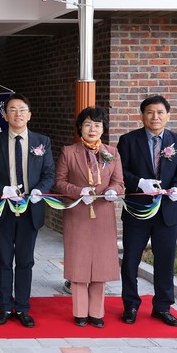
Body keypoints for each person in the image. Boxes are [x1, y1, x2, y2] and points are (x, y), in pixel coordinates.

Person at [117, 95, 177, 327]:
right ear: (142, 115)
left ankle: (162, 307)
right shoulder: (128, 140)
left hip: (167, 212)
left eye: (160, 112)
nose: (155, 117)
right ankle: (130, 305)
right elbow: (120, 172)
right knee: (131, 260)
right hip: (137, 211)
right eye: (150, 112)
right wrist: (139, 182)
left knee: (165, 261)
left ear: (168, 115)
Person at [0, 93, 55, 328]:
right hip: (3, 209)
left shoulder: (42, 141)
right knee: (4, 260)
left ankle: (22, 307)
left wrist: (39, 190)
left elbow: (49, 174)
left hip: (29, 210)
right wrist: (1, 189)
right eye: (12, 109)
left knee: (25, 261)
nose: (18, 114)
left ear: (29, 115)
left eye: (22, 109)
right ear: (5, 115)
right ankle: (4, 306)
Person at [54, 107, 124, 327]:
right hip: (78, 213)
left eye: (97, 125)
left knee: (101, 265)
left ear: (103, 128)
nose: (92, 129)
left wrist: (113, 190)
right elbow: (59, 182)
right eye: (87, 124)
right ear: (80, 128)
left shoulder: (112, 152)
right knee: (79, 264)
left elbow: (119, 182)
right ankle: (80, 312)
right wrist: (78, 191)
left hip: (103, 214)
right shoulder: (69, 152)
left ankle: (96, 313)